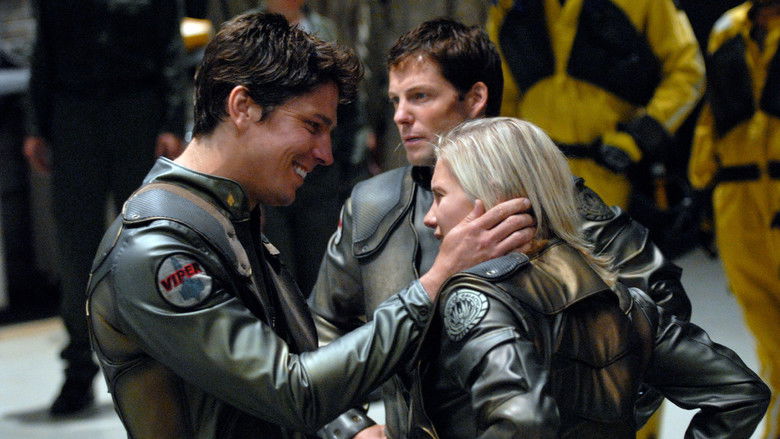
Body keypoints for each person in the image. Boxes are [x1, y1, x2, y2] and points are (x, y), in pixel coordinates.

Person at [85, 12, 532, 438]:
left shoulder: (223, 220)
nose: (325, 154)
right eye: (312, 125)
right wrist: (436, 281)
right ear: (242, 106)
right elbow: (293, 391)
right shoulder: (158, 247)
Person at [308, 19, 691, 439]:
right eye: (396, 99)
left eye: (420, 96)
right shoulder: (372, 205)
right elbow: (320, 323)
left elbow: (662, 307)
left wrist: (606, 415)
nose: (400, 116)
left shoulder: (550, 199)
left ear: (476, 98)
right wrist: (351, 427)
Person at [409, 116, 770, 438]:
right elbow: (741, 393)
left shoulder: (478, 301)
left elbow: (525, 422)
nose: (430, 217)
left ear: (492, 197)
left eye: (439, 196)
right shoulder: (622, 300)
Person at [23, 0, 189, 415]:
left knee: (149, 243)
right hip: (74, 113)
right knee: (76, 247)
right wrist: (36, 126)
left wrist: (172, 121)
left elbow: (171, 48)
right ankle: (79, 369)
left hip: (138, 109)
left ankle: (162, 363)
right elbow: (44, 51)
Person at [486, 0, 705, 210]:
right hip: (537, 183)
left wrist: (639, 137)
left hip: (615, 180)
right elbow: (502, 93)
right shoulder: (511, 6)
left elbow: (687, 72)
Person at [689, 1, 780, 437]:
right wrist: (702, 182)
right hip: (736, 198)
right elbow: (714, 111)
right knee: (768, 335)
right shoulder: (727, 28)